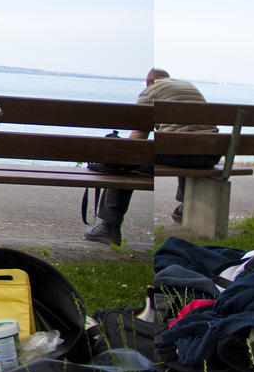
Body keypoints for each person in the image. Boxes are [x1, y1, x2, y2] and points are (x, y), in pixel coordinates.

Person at [88, 69, 214, 243]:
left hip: (181, 152)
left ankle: (109, 226)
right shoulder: (188, 87)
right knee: (184, 144)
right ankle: (185, 208)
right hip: (210, 155)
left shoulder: (151, 91)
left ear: (149, 82)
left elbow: (137, 141)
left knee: (128, 160)